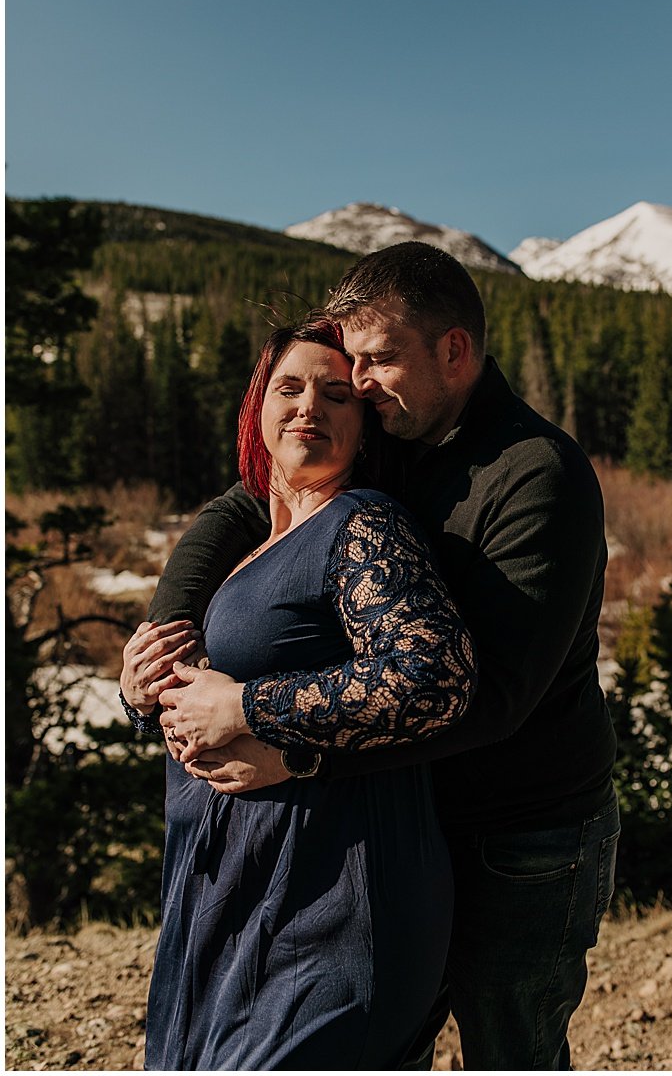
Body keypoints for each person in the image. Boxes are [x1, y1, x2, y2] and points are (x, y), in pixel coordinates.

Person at [136, 242, 619, 1070]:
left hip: (526, 830)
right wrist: (165, 632)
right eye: (346, 362)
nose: (354, 384)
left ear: (454, 352)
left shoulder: (537, 474)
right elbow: (244, 504)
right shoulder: (396, 430)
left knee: (514, 1048)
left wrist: (289, 742)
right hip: (412, 815)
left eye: (377, 359)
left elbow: (489, 697)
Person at [119, 315, 476, 1068]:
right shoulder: (249, 548)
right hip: (226, 907)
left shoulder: (361, 523)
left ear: (363, 426)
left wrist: (248, 705)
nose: (309, 405)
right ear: (258, 410)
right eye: (290, 387)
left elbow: (433, 673)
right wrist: (141, 683)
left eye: (336, 394)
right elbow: (198, 697)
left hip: (327, 903)